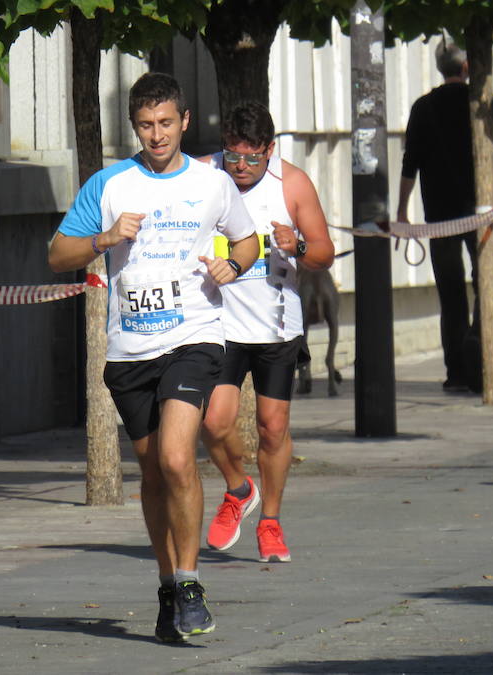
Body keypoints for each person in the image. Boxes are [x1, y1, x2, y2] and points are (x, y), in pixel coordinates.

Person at [48, 73, 259, 642]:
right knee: (152, 476)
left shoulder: (212, 183)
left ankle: (190, 582)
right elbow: (56, 254)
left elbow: (247, 239)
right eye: (146, 126)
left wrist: (232, 267)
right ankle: (168, 587)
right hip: (130, 349)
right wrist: (104, 237)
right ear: (135, 128)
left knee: (174, 458)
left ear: (184, 121)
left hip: (194, 337)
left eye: (166, 123)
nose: (157, 135)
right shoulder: (110, 184)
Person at [199, 102, 334, 563]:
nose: (240, 168)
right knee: (214, 423)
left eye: (252, 158)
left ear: (269, 151)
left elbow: (324, 253)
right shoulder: (204, 175)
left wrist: (296, 246)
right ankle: (239, 489)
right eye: (233, 156)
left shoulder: (291, 183)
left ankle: (271, 521)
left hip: (276, 325)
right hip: (219, 323)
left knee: (272, 430)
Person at [397, 40, 493, 394]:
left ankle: (455, 370)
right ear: (467, 67)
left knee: (450, 294)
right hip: (482, 213)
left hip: (439, 216)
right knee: (486, 285)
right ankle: (478, 351)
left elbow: (410, 164)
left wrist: (403, 210)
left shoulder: (423, 107)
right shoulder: (485, 105)